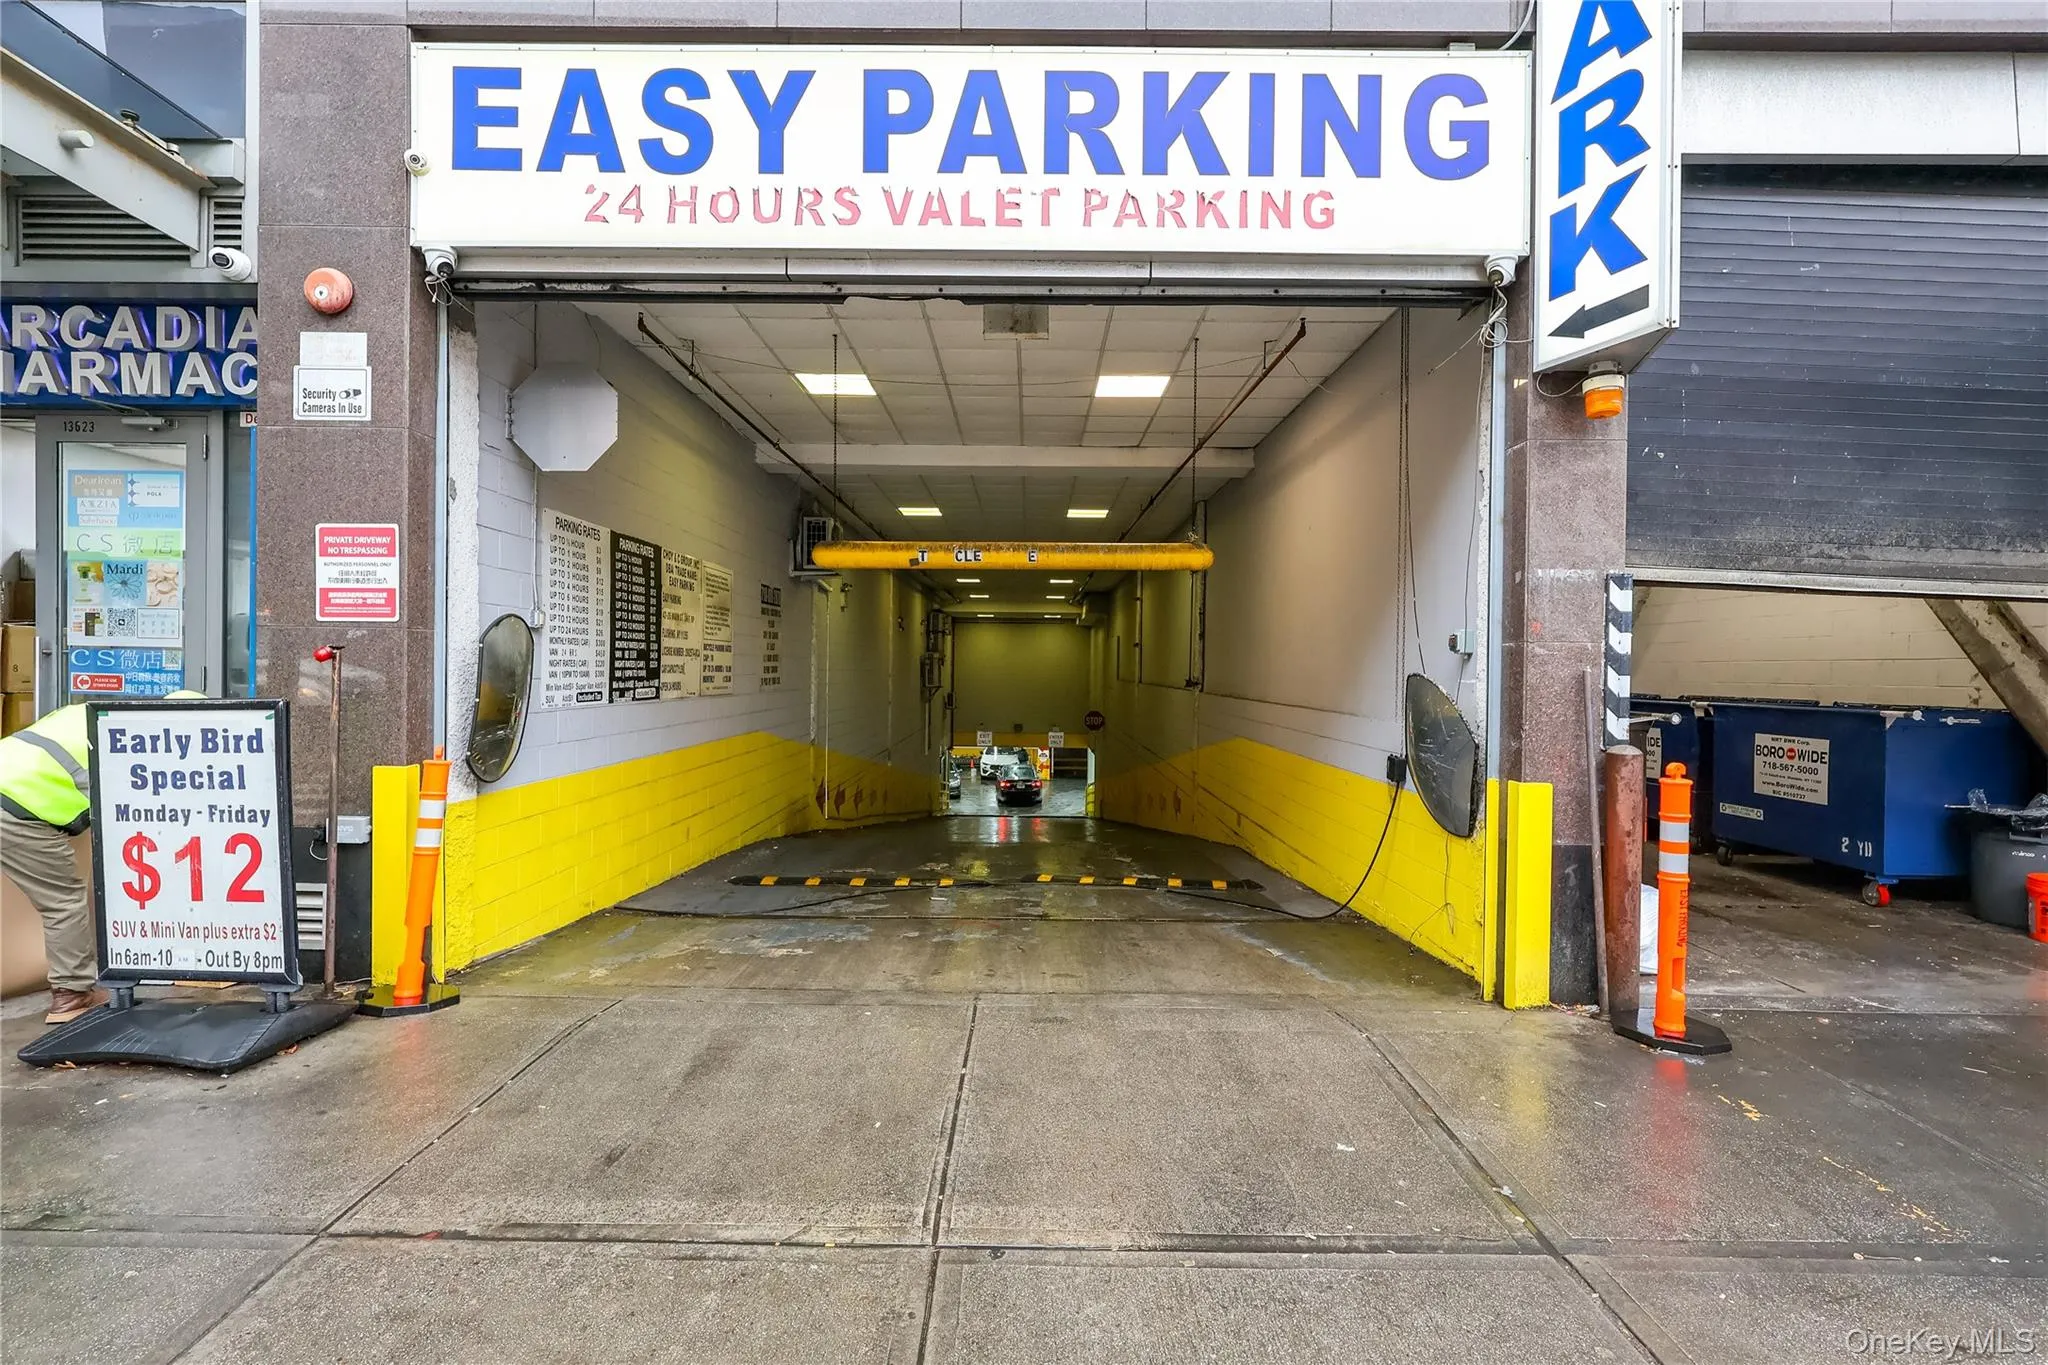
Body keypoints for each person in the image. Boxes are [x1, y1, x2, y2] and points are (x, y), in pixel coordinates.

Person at [0, 691, 205, 1024]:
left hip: (10, 787)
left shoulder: (88, 712)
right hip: (16, 807)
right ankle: (72, 995)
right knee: (63, 901)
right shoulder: (136, 739)